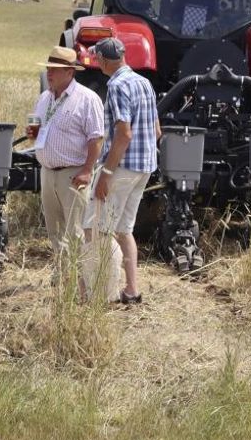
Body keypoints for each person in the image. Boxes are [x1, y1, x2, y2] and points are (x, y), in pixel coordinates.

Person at [86, 37, 161, 304]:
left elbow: (124, 134)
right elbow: (156, 130)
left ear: (105, 61)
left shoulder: (116, 86)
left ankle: (101, 294)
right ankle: (131, 290)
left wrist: (106, 173)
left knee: (98, 229)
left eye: (97, 58)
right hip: (145, 167)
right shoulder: (144, 83)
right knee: (124, 229)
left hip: (123, 167)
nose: (96, 62)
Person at [29, 47, 105, 265]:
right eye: (48, 68)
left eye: (55, 69)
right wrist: (32, 132)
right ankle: (62, 275)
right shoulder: (44, 98)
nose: (49, 73)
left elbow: (96, 139)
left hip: (73, 174)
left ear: (70, 72)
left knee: (75, 230)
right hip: (47, 172)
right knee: (55, 229)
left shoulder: (87, 99)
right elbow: (36, 128)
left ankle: (79, 281)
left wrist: (87, 171)